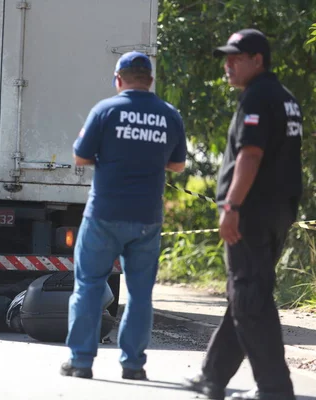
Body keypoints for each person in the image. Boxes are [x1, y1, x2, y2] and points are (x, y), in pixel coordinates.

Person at [184, 29, 302, 400]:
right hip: (278, 211)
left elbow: (250, 155)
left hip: (251, 212)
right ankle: (212, 377)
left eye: (236, 57)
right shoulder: (285, 98)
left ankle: (274, 388)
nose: (228, 64)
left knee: (250, 297)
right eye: (227, 57)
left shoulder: (257, 97)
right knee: (244, 294)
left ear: (258, 60)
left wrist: (231, 206)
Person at [59, 51, 187, 380]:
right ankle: (133, 365)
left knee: (88, 286)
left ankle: (81, 362)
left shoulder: (106, 110)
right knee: (141, 294)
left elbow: (81, 156)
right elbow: (177, 164)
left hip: (104, 213)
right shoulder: (169, 115)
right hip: (146, 217)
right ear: (150, 80)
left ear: (119, 79)